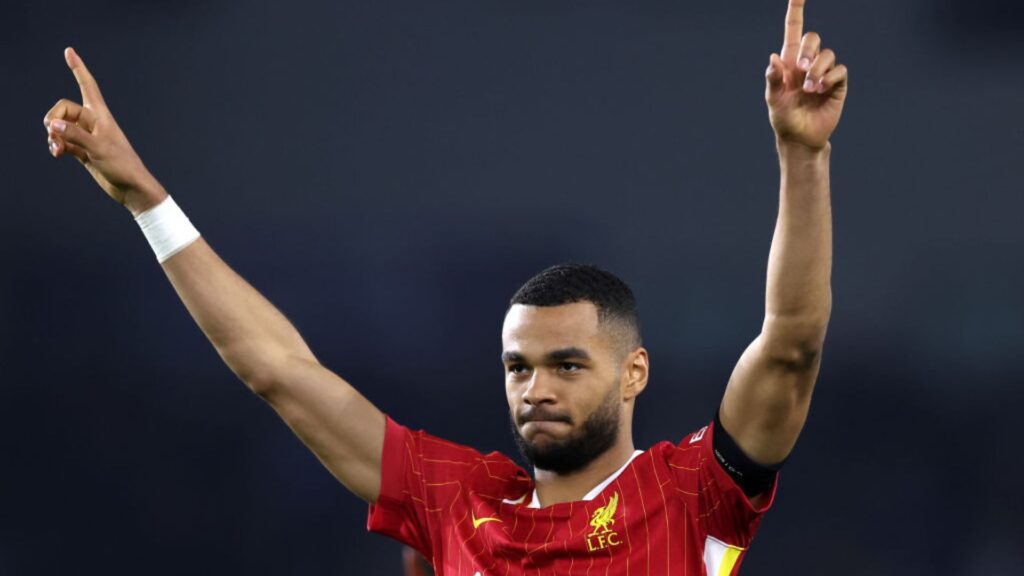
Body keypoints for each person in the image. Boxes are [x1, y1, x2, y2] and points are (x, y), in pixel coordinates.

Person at [43, 0, 847, 573]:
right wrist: (146, 198)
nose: (535, 388)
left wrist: (803, 157)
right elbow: (279, 370)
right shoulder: (459, 500)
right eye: (517, 367)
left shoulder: (693, 494)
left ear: (633, 372)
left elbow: (791, 342)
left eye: (567, 364)